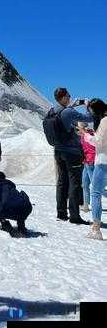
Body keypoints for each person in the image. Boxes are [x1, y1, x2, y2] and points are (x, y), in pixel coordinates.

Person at [44, 88, 94, 224]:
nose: (70, 97)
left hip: (58, 151)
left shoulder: (51, 111)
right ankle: (74, 216)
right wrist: (88, 106)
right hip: (71, 152)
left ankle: (61, 213)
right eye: (69, 96)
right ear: (64, 97)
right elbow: (88, 118)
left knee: (62, 182)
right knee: (75, 183)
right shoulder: (68, 112)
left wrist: (74, 104)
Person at [79, 99, 107, 240]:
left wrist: (85, 134)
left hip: (103, 161)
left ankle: (96, 230)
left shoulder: (104, 121)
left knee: (95, 193)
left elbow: (98, 142)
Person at [0, 171, 32, 237]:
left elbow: (1, 204)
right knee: (18, 206)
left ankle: (8, 228)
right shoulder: (8, 185)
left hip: (14, 209)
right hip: (27, 208)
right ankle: (21, 227)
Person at [78, 122, 95, 212]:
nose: (78, 130)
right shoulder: (83, 136)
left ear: (83, 128)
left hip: (90, 161)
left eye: (79, 128)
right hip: (86, 162)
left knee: (94, 184)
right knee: (84, 184)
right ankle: (86, 205)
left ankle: (94, 205)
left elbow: (92, 149)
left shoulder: (89, 136)